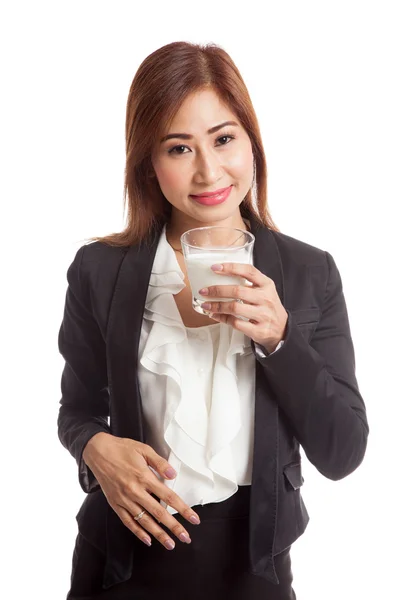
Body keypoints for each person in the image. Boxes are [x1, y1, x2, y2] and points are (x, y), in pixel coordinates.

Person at [57, 41, 369, 600]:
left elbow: (343, 452)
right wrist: (92, 447)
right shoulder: (98, 271)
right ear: (149, 165)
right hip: (119, 562)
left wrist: (281, 340)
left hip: (252, 570)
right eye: (179, 148)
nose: (208, 171)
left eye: (224, 139)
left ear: (252, 142)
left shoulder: (308, 273)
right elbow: (77, 411)